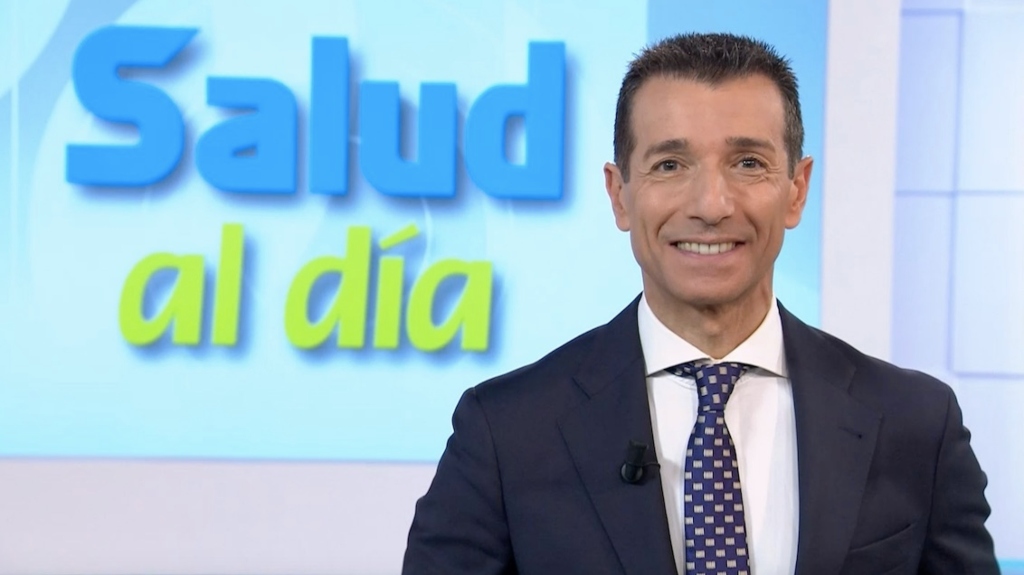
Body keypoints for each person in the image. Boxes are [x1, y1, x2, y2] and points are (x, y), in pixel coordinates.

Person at [402, 32, 998, 575]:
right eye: (670, 164)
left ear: (796, 190)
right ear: (619, 195)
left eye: (748, 163)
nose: (711, 204)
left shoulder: (916, 426)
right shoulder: (507, 432)